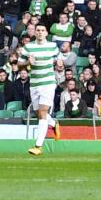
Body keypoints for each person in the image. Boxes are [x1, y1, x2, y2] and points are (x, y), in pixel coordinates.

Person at [21, 19, 61, 157]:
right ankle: (53, 123)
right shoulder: (28, 47)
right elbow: (19, 64)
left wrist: (60, 63)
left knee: (43, 111)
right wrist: (27, 62)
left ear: (46, 33)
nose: (40, 32)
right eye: (38, 30)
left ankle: (38, 145)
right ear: (34, 32)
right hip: (34, 83)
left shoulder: (53, 46)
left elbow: (59, 59)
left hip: (48, 82)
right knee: (39, 113)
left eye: (42, 30)